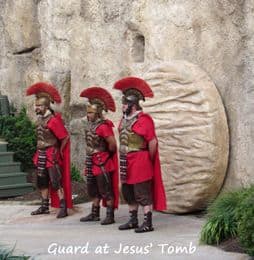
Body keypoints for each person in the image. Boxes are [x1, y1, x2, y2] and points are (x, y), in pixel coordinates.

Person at [113, 76, 166, 233]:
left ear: (133, 105)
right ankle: (133, 220)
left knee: (142, 193)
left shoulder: (145, 120)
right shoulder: (124, 120)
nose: (122, 107)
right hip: (125, 160)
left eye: (124, 104)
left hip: (140, 160)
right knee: (128, 192)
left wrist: (146, 158)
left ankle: (148, 222)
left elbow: (153, 142)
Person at [26, 82, 72, 218]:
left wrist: (60, 151)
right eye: (36, 105)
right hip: (40, 153)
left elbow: (64, 137)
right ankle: (44, 206)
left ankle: (63, 207)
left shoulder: (53, 121)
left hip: (51, 154)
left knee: (56, 181)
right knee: (42, 181)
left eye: (39, 105)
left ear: (46, 106)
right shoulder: (40, 119)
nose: (36, 108)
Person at [79, 86, 119, 225]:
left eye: (90, 113)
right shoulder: (90, 126)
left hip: (102, 162)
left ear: (97, 113)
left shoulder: (104, 126)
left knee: (105, 189)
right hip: (90, 160)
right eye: (88, 112)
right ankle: (94, 213)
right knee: (93, 188)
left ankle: (110, 215)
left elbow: (113, 144)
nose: (88, 115)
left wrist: (106, 155)